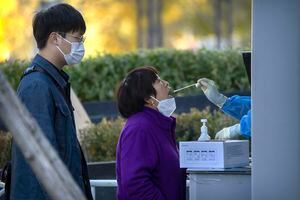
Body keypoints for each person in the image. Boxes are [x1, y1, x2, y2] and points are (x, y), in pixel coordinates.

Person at [10, 3, 93, 199]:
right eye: (77, 38)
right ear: (55, 38)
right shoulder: (37, 86)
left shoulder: (52, 82)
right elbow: (40, 164)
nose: (81, 45)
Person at [116, 66, 186, 200]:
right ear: (148, 98)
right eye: (159, 81)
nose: (166, 83)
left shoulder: (157, 125)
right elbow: (135, 185)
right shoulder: (139, 128)